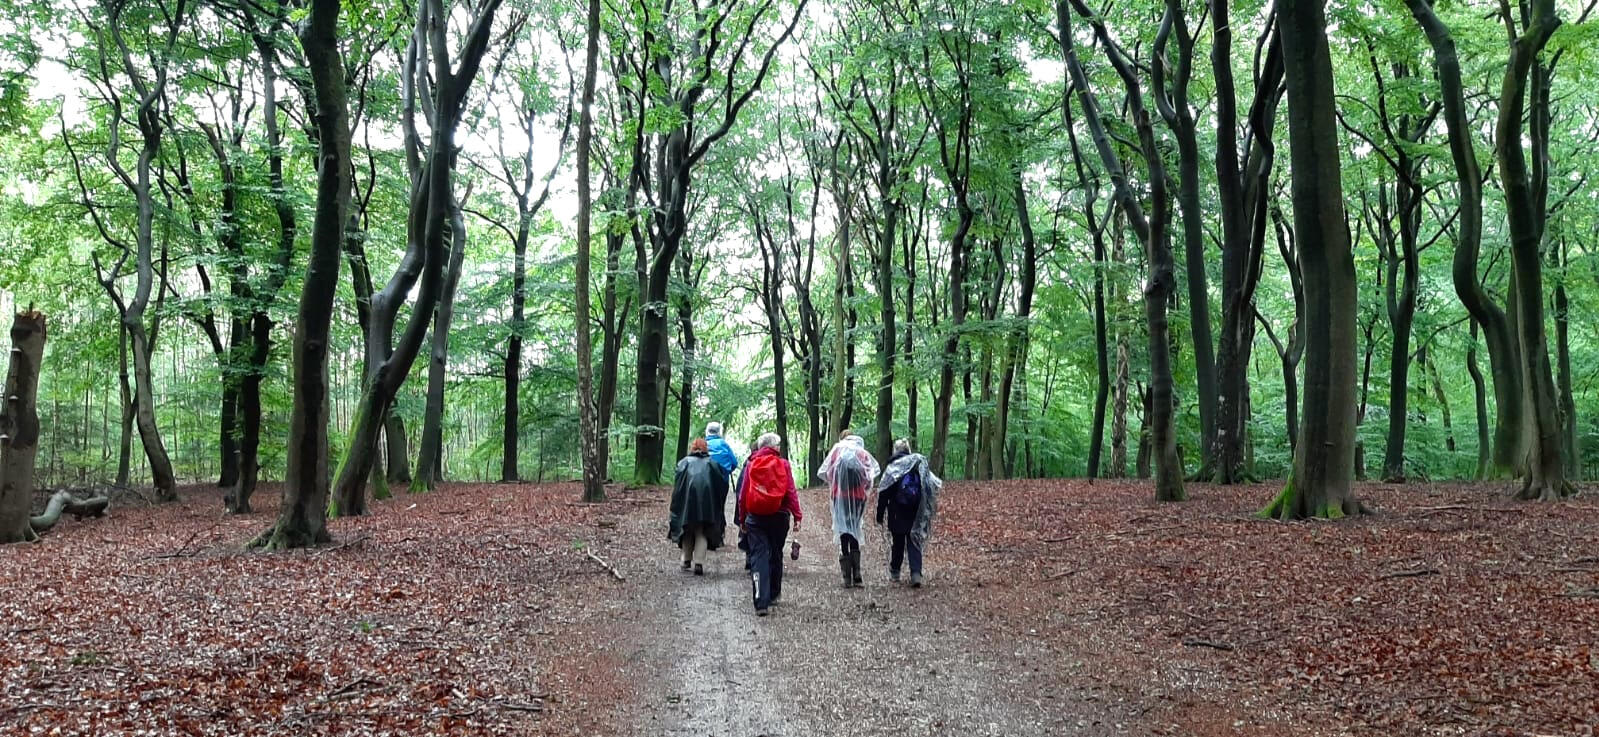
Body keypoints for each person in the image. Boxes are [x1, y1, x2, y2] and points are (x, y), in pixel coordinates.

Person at [736, 432, 802, 616]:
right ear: (773, 447)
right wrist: (797, 516)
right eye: (779, 445)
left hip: (755, 517)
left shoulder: (751, 464)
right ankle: (773, 593)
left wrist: (742, 519)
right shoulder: (783, 464)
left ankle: (761, 601)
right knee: (776, 553)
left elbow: (742, 495)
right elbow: (790, 491)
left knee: (758, 556)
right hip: (780, 516)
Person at [817, 431, 880, 588]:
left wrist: (836, 485)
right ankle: (857, 573)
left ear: (842, 438)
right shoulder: (861, 452)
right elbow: (869, 475)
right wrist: (863, 491)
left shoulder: (838, 450)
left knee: (843, 531)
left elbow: (827, 472)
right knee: (855, 529)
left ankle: (847, 577)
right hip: (858, 498)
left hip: (840, 497)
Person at [876, 438, 941, 588]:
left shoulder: (893, 468)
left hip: (897, 511)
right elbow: (929, 487)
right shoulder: (917, 466)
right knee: (914, 540)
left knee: (898, 543)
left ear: (895, 450)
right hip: (915, 511)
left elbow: (884, 492)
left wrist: (880, 514)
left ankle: (895, 572)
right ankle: (916, 573)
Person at [669, 438, 729, 576]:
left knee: (687, 530)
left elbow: (678, 488)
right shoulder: (712, 464)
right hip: (707, 506)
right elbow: (720, 486)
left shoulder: (683, 463)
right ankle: (699, 563)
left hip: (687, 504)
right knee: (701, 531)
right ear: (705, 449)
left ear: (693, 448)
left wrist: (676, 506)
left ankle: (686, 559)